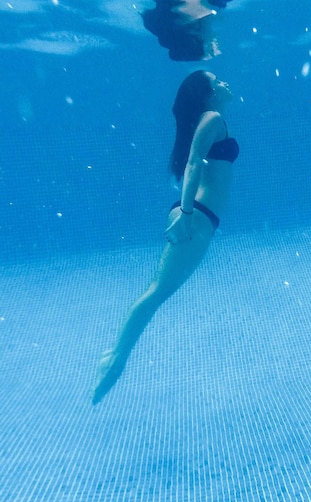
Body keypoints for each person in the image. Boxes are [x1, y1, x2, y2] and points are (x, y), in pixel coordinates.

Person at [91, 70, 238, 404]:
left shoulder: (212, 119)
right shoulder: (212, 118)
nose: (225, 83)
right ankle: (114, 360)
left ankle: (115, 357)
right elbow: (193, 165)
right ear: (207, 94)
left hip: (200, 217)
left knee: (160, 291)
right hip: (196, 216)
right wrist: (186, 214)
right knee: (157, 292)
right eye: (218, 82)